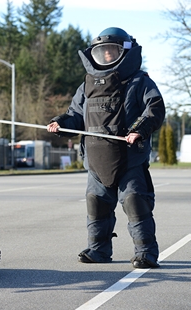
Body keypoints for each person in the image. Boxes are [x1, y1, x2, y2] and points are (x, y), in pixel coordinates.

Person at [47, 27, 165, 269]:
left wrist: (138, 130)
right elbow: (75, 116)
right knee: (96, 203)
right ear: (94, 54)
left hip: (129, 159)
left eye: (112, 50)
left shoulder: (139, 81)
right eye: (103, 51)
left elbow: (154, 109)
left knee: (135, 202)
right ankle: (98, 250)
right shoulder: (87, 86)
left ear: (125, 51)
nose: (108, 55)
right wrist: (60, 124)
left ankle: (146, 253)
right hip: (96, 159)